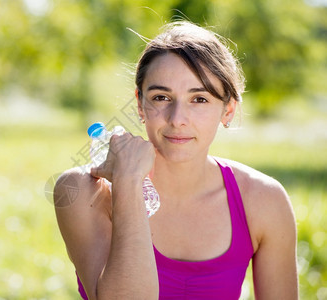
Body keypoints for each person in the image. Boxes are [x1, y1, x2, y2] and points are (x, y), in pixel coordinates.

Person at [53, 21, 298, 299]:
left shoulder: (263, 200)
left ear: (227, 110)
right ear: (139, 104)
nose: (177, 119)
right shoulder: (84, 191)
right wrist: (128, 182)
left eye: (200, 99)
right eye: (161, 97)